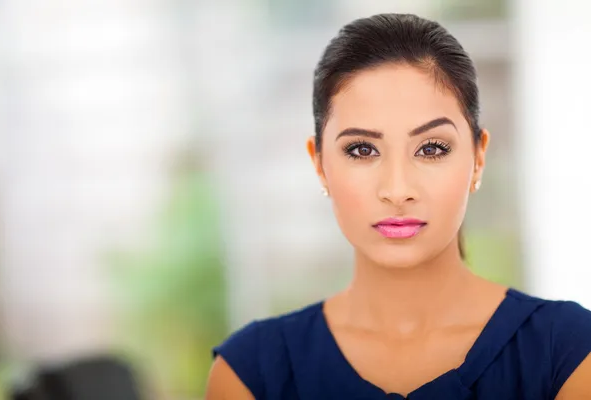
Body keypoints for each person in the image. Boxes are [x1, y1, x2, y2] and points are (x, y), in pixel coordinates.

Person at [205, 13, 591, 399]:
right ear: (320, 165)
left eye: (430, 149)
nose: (397, 189)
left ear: (477, 158)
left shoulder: (569, 353)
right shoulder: (250, 374)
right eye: (362, 149)